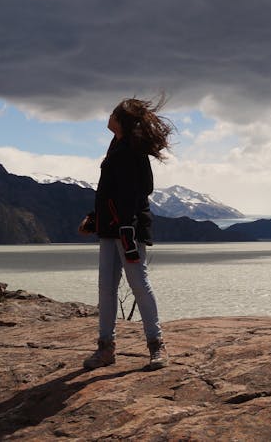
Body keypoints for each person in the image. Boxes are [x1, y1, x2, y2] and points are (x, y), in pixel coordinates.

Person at [79, 96, 175, 371]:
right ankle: (105, 348)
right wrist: (96, 219)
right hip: (111, 229)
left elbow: (142, 189)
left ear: (120, 121)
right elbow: (108, 192)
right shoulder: (116, 145)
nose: (108, 118)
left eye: (112, 114)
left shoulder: (133, 150)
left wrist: (127, 227)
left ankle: (157, 346)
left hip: (127, 230)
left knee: (139, 285)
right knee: (106, 289)